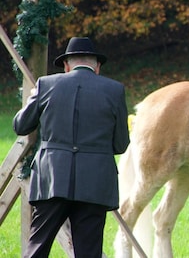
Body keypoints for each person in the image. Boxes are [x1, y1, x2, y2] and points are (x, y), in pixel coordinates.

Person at [13, 37, 130, 257]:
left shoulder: (45, 85)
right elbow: (121, 144)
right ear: (97, 67)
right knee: (88, 251)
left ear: (66, 65)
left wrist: (33, 101)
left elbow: (20, 125)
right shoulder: (115, 90)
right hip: (95, 183)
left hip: (51, 179)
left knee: (37, 246)